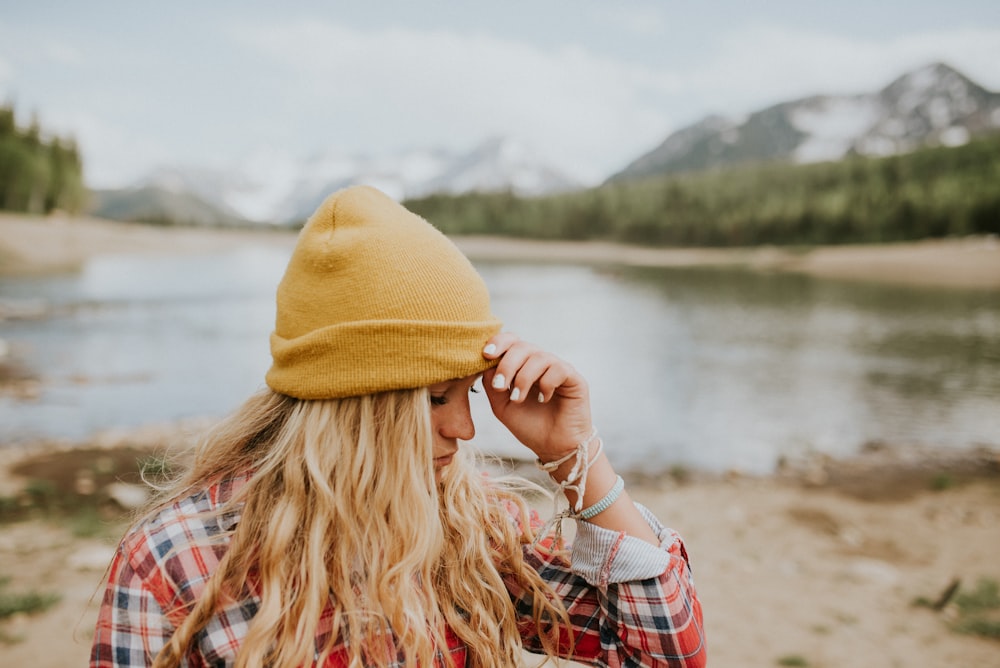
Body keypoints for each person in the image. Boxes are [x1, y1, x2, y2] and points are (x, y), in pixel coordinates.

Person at [90, 185, 706, 667]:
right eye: (437, 398)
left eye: (469, 393)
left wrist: (577, 458)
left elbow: (665, 655)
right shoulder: (178, 560)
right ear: (352, 403)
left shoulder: (474, 527)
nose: (466, 429)